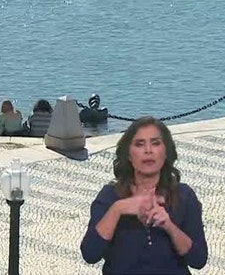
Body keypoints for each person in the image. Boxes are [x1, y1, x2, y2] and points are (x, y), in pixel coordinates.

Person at [80, 116, 208, 274]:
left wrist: (169, 226)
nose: (148, 150)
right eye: (139, 144)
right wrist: (118, 209)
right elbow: (90, 254)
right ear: (128, 155)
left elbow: (198, 260)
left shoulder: (184, 196)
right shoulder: (110, 196)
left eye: (155, 143)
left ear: (166, 152)